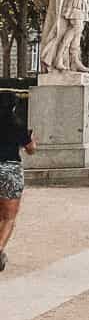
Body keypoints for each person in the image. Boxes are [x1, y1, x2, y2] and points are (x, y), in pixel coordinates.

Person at [0, 90, 36, 270]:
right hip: (11, 169)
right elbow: (31, 149)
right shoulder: (18, 125)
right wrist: (31, 139)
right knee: (9, 216)